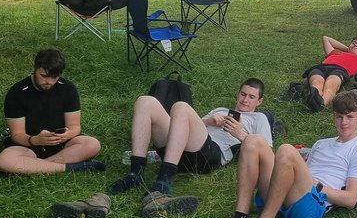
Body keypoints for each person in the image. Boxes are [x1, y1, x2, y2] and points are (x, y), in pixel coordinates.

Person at [203, 90, 357, 218]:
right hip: (289, 194)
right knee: (253, 140)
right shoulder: (321, 143)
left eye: (349, 117)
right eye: (339, 117)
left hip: (312, 203)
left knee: (286, 150)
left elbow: (351, 199)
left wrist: (317, 185)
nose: (344, 122)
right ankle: (240, 217)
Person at [107, 78, 272, 198]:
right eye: (243, 94)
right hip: (179, 148)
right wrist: (209, 121)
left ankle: (164, 179)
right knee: (145, 101)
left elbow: (266, 152)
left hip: (209, 156)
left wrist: (240, 133)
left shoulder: (259, 119)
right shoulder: (220, 110)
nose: (245, 100)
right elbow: (184, 123)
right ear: (238, 94)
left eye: (251, 97)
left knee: (181, 106)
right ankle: (135, 174)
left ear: (259, 101)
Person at [0, 47, 105, 175]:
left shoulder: (68, 88)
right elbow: (17, 134)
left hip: (61, 143)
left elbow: (75, 126)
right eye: (44, 76)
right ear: (34, 68)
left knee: (92, 144)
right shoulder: (17, 92)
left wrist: (67, 134)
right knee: (4, 160)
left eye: (54, 77)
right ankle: (72, 167)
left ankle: (37, 166)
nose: (48, 82)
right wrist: (35, 140)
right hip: (30, 144)